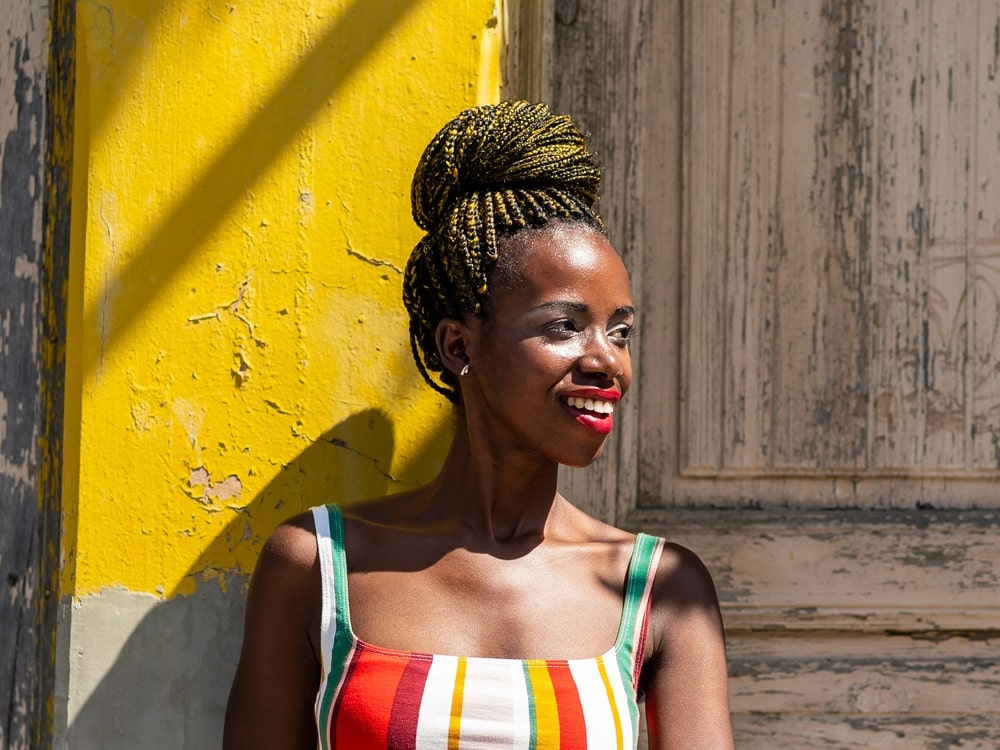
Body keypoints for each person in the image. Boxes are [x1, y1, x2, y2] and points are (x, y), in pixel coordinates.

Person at [224, 101, 734, 749]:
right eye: (564, 326)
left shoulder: (661, 587)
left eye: (621, 331)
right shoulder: (318, 564)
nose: (607, 359)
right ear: (459, 347)